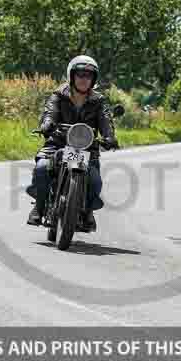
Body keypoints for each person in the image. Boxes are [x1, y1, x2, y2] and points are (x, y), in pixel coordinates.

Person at [26, 55, 119, 231]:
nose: (84, 79)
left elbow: (105, 120)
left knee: (95, 180)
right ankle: (38, 207)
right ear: (72, 76)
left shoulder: (99, 101)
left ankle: (87, 212)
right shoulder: (59, 95)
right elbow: (49, 112)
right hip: (58, 143)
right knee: (41, 168)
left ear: (93, 79)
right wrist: (47, 125)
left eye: (88, 75)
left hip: (87, 148)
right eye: (80, 75)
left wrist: (109, 137)